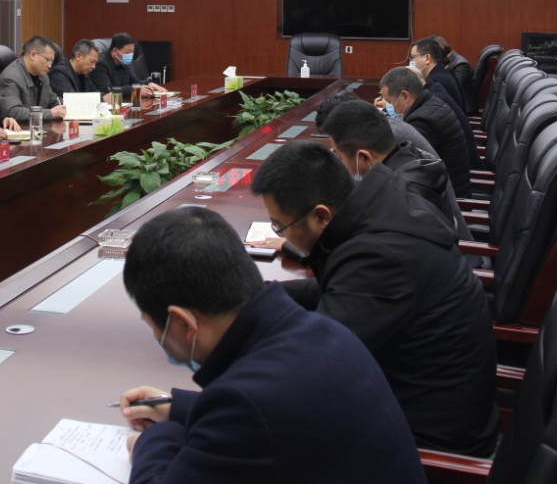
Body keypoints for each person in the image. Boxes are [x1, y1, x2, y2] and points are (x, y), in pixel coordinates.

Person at [118, 206, 426, 484]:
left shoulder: (244, 405)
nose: (157, 337)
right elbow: (281, 414)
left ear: (184, 323)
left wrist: (152, 440)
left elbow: (252, 414)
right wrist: (181, 409)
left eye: (152, 326)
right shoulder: (325, 331)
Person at [249, 142, 499, 456]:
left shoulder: (381, 257)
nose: (281, 235)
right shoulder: (384, 206)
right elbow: (342, 290)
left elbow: (314, 363)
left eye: (280, 226)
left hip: (431, 440)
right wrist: (259, 298)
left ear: (321, 216)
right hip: (422, 398)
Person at [321, 98, 477, 246]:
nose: (338, 162)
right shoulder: (407, 156)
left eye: (339, 156)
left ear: (364, 157)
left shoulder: (395, 199)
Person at [379, 66, 473, 197]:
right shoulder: (430, 102)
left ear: (405, 96)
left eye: (389, 101)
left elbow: (398, 163)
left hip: (449, 198)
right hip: (448, 187)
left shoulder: (422, 122)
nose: (387, 106)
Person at [410, 36, 482, 169]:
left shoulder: (437, 82)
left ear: (427, 58)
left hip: (461, 164)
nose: (411, 62)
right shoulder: (442, 74)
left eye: (413, 57)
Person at [0, 35, 68, 122]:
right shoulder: (10, 78)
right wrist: (50, 113)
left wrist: (71, 106)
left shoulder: (42, 75)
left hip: (33, 126)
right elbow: (13, 112)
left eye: (51, 62)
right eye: (47, 60)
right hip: (7, 128)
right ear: (33, 55)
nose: (49, 66)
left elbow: (52, 100)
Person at [89, 32, 164, 98]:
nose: (130, 55)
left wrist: (149, 84)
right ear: (115, 51)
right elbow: (108, 90)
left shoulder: (122, 61)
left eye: (132, 52)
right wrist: (135, 90)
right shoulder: (100, 64)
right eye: (128, 52)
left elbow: (135, 81)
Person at [431, 34, 478, 115]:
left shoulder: (461, 65)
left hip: (464, 109)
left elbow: (450, 89)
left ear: (442, 49)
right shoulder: (446, 61)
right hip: (452, 105)